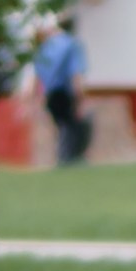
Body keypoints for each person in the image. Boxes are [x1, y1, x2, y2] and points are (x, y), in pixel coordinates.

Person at [33, 14, 90, 166]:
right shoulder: (72, 45)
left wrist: (38, 97)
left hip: (50, 93)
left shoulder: (47, 46)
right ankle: (67, 158)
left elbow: (38, 74)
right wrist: (80, 97)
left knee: (62, 125)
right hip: (65, 92)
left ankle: (64, 157)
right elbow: (75, 74)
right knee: (73, 125)